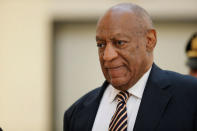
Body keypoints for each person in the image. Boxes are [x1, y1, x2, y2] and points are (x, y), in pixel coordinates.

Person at [64, 3, 197, 131]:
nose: (107, 56)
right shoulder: (76, 113)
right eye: (101, 45)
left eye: (120, 42)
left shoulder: (190, 96)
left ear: (149, 40)